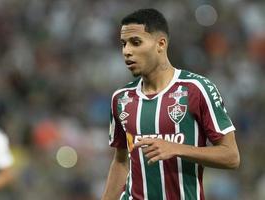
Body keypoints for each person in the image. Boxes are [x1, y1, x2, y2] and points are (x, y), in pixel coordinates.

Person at [102, 8, 240, 200]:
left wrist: (176, 148)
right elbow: (120, 162)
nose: (127, 51)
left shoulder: (197, 88)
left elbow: (231, 157)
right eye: (124, 44)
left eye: (136, 42)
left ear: (161, 44)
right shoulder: (121, 98)